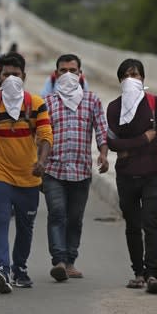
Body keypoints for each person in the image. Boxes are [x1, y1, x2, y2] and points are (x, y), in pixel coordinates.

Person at [0, 52, 53, 294]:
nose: (11, 78)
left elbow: (46, 136)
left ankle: (20, 269)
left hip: (29, 175)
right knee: (1, 219)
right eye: (6, 74)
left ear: (23, 76)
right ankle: (3, 268)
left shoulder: (36, 104)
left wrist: (42, 162)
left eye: (16, 74)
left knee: (26, 226)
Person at [43, 54, 109, 282]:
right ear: (56, 74)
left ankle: (71, 261)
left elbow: (101, 129)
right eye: (63, 70)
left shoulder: (92, 100)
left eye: (73, 70)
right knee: (57, 213)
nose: (68, 74)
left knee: (75, 218)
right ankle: (59, 260)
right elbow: (41, 136)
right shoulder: (48, 103)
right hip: (53, 170)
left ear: (81, 74)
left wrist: (103, 153)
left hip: (81, 171)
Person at [106, 58, 157, 294]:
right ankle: (138, 273)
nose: (132, 79)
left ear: (143, 78)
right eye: (127, 75)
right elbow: (112, 142)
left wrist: (128, 148)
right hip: (125, 176)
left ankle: (152, 273)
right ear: (120, 80)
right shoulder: (114, 107)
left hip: (152, 173)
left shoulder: (155, 104)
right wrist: (144, 139)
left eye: (136, 74)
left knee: (150, 222)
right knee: (132, 225)